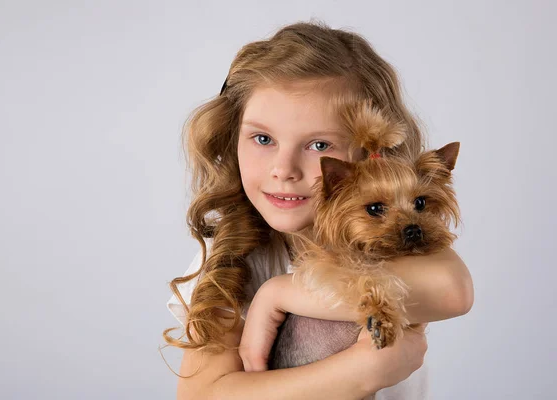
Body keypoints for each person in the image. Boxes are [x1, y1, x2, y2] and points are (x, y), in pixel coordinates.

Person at [163, 20, 474, 400]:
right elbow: (201, 397)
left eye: (319, 146)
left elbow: (455, 292)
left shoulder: (397, 242)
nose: (284, 169)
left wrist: (278, 295)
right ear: (232, 139)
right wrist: (362, 372)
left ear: (371, 157)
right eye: (263, 139)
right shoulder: (229, 257)